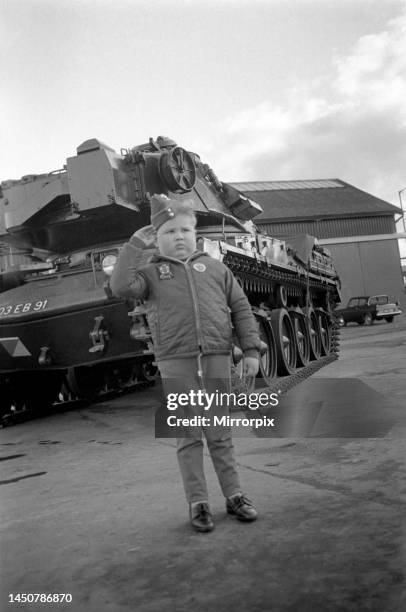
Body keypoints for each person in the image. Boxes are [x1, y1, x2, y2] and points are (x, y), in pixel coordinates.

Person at [110, 194, 262, 533]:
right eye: (168, 232)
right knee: (188, 435)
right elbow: (119, 285)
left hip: (216, 358)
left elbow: (240, 308)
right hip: (176, 363)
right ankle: (198, 503)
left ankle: (235, 495)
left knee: (220, 433)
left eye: (184, 230)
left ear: (195, 233)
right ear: (156, 238)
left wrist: (250, 350)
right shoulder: (149, 274)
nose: (178, 237)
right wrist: (135, 245)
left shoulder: (216, 268)